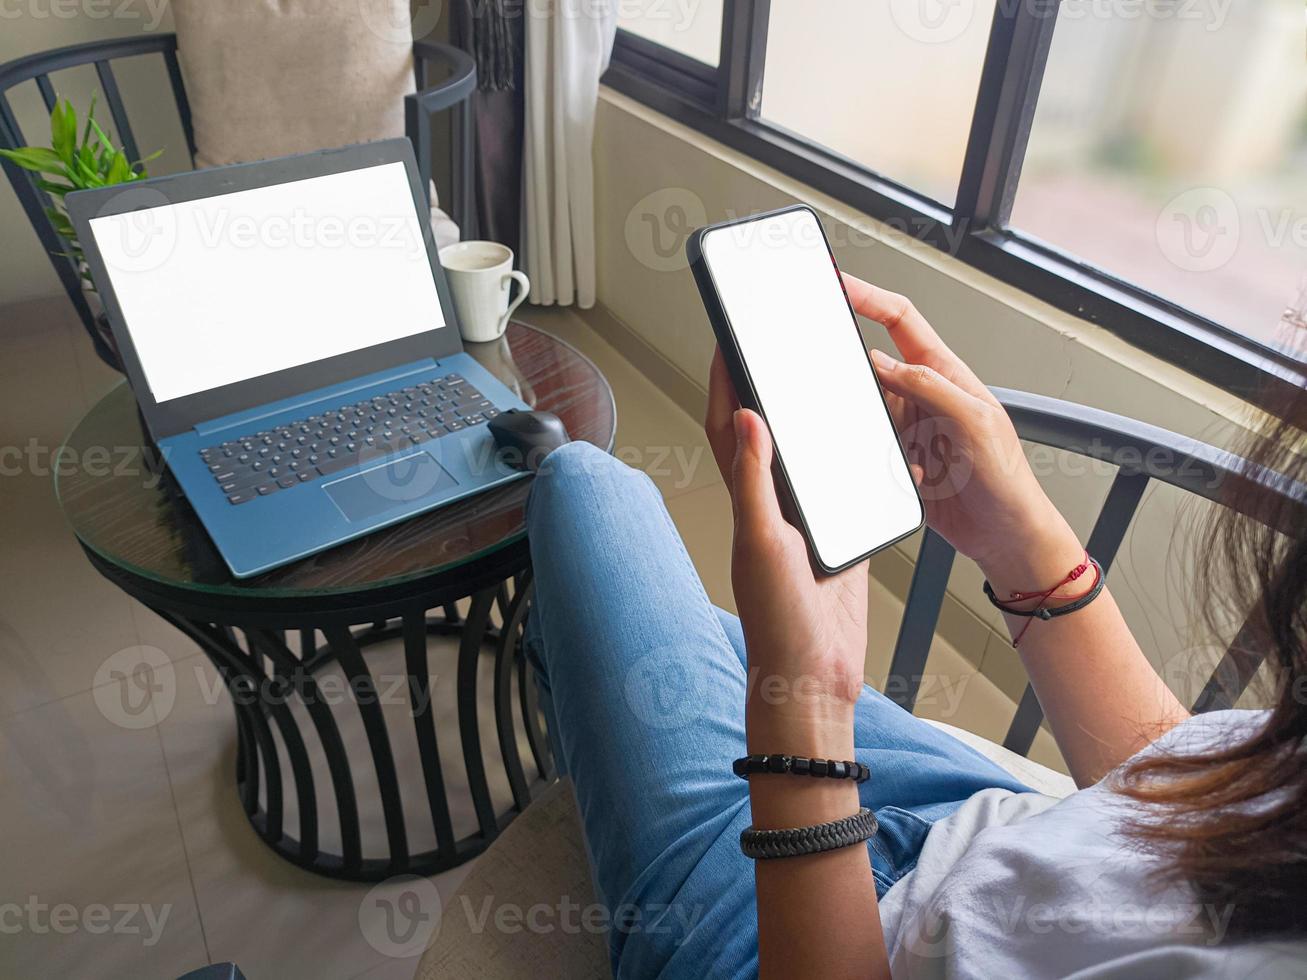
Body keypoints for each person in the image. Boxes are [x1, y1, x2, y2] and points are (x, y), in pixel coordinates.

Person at [521, 273, 1306, 978]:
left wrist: (806, 708)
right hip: (987, 829)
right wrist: (1017, 538)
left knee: (584, 482)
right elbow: (1185, 805)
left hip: (786, 941)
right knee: (681, 634)